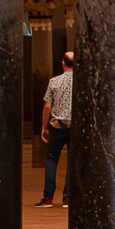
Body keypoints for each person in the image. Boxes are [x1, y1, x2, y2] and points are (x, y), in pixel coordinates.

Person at [38, 50, 74, 207]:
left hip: (57, 125)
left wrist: (44, 127)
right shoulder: (82, 82)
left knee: (52, 159)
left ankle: (47, 198)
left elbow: (47, 106)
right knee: (72, 162)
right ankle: (67, 198)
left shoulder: (54, 81)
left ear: (63, 63)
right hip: (75, 127)